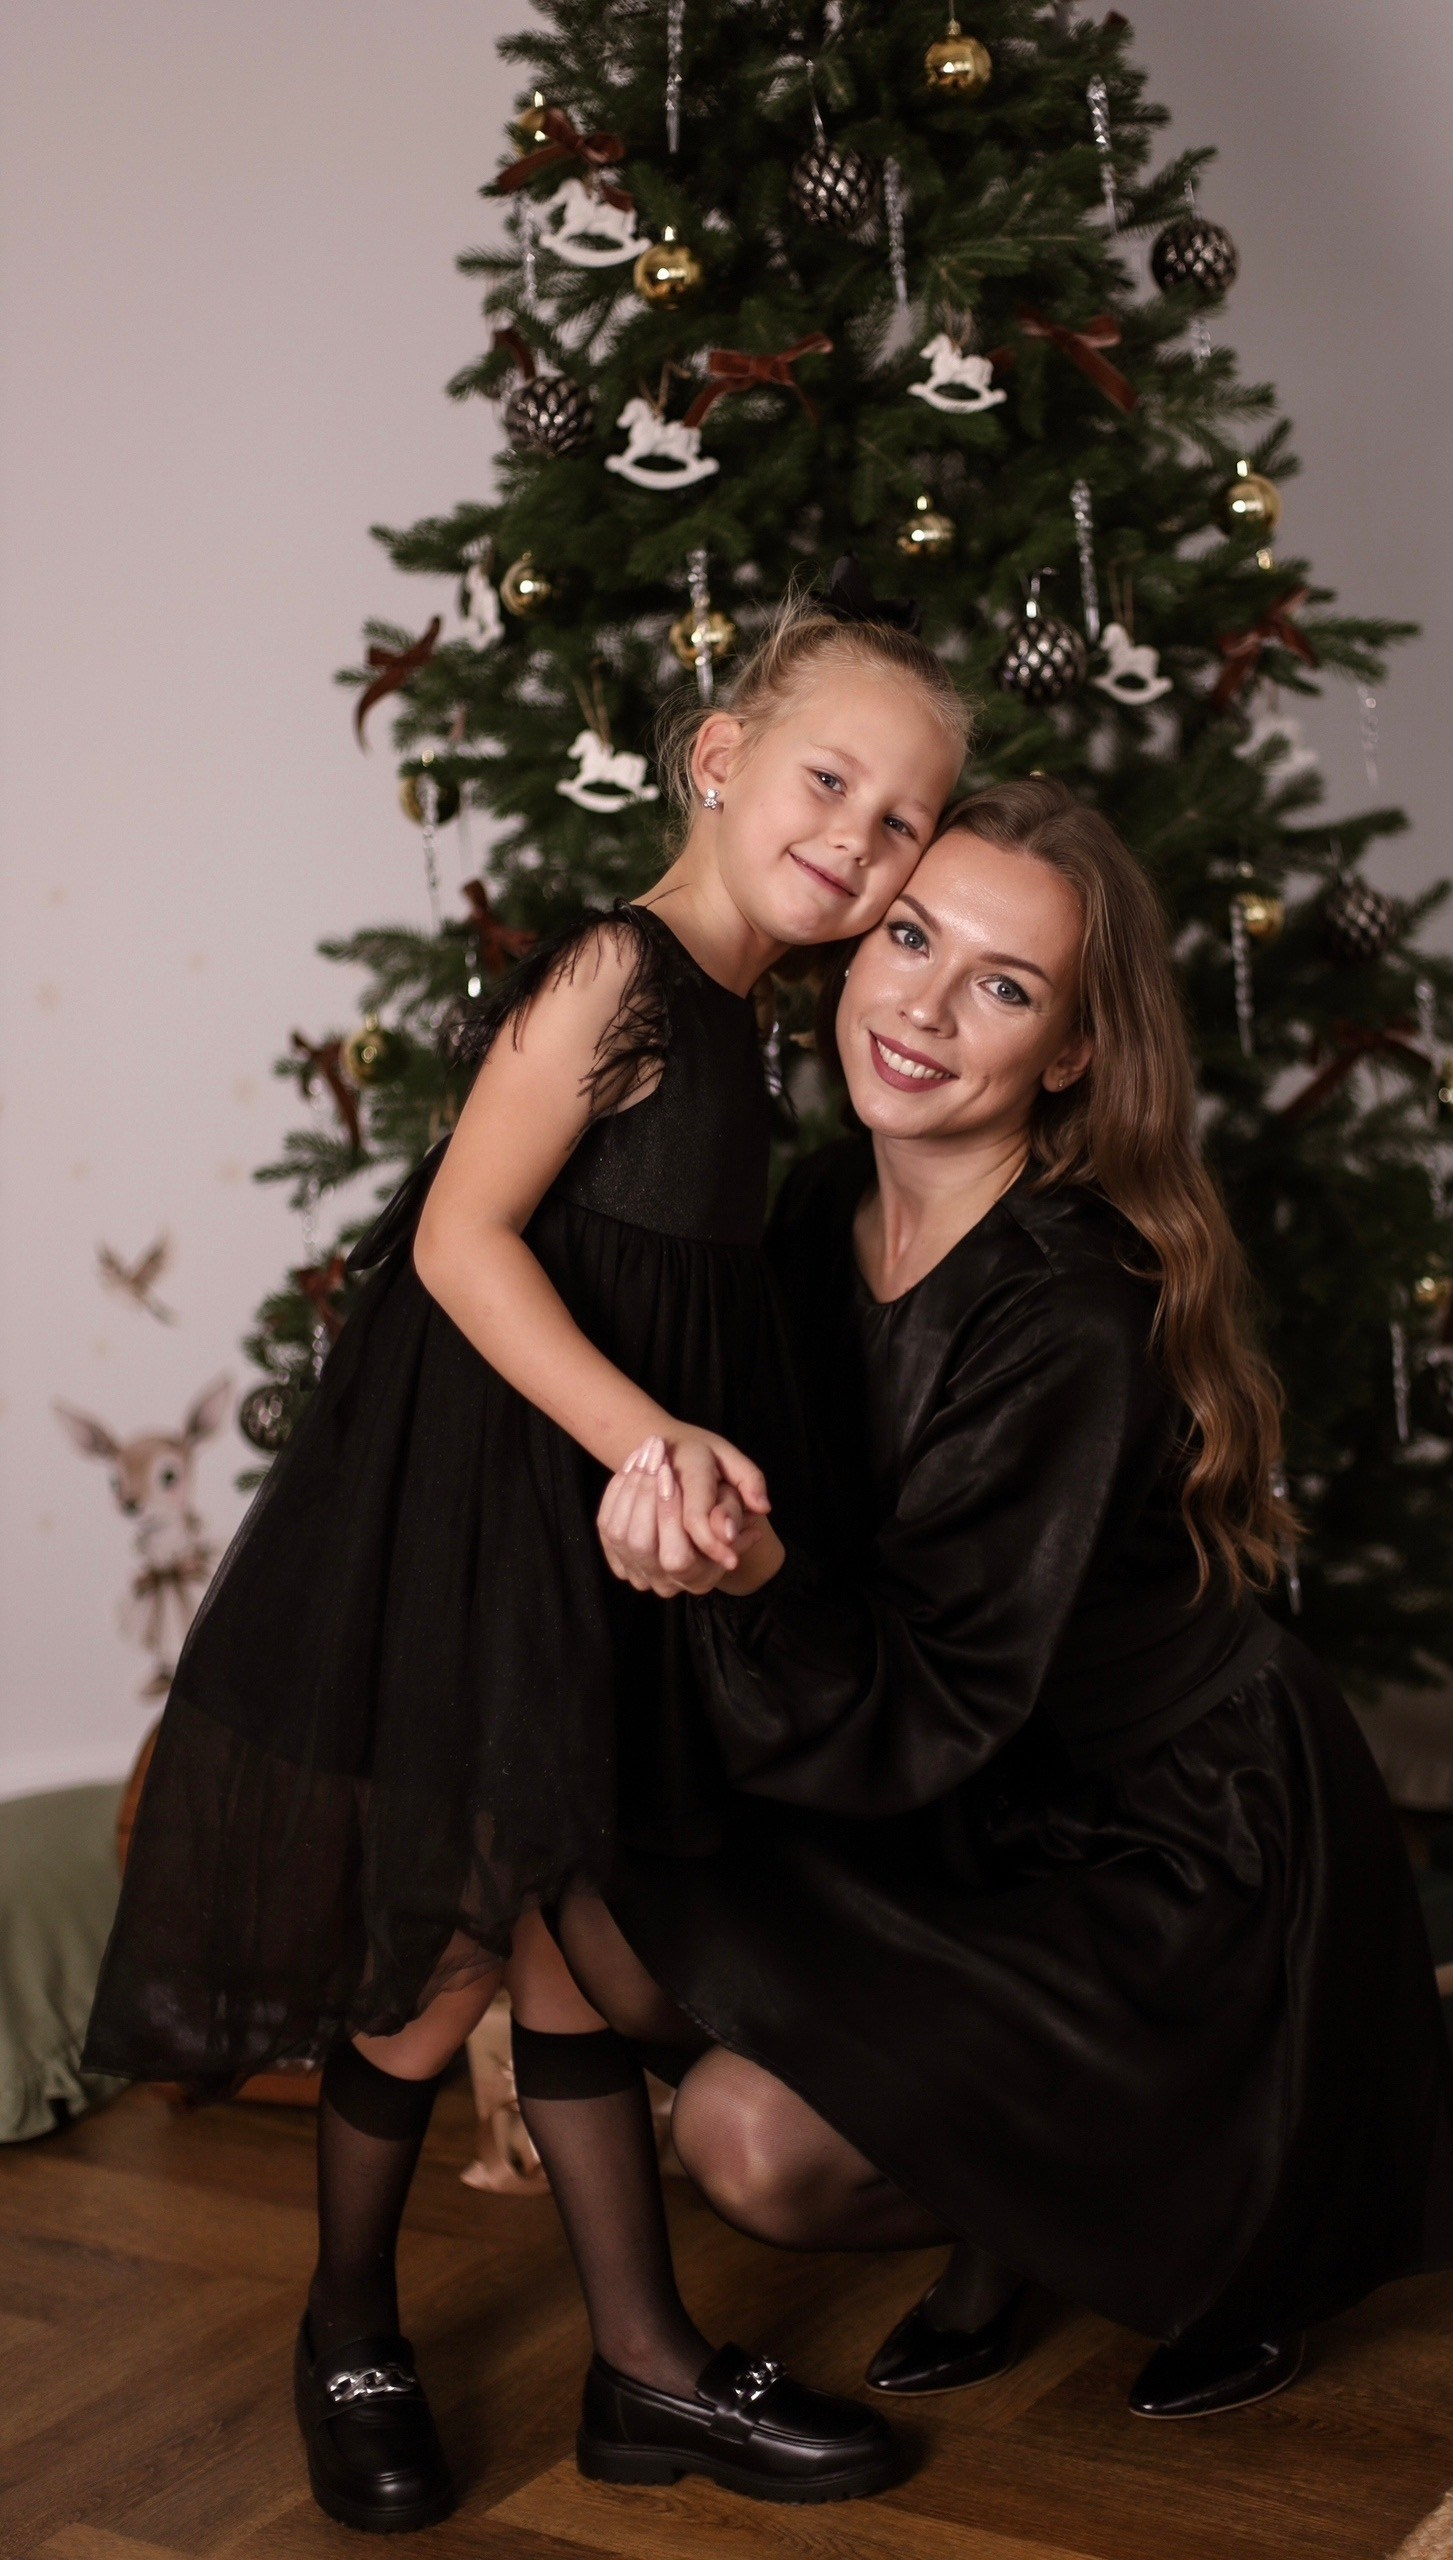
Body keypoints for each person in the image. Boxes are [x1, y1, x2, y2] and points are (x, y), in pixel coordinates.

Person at [81, 579, 969, 2528]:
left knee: (571, 1940)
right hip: (496, 1519)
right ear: (719, 756)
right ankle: (346, 2322)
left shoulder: (751, 1018)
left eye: (905, 818)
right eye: (831, 779)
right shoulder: (620, 971)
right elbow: (460, 1237)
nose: (861, 836)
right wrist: (647, 1436)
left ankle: (643, 2365)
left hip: (609, 1547)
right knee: (451, 1954)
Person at [590, 777, 1453, 2424]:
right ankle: (1012, 2197)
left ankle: (1206, 2224)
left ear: (1070, 1051)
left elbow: (935, 1680)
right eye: (909, 939)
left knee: (748, 2143)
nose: (925, 1008)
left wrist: (745, 1566)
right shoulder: (815, 1204)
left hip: (1162, 1841)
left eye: (1002, 987)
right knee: (601, 1914)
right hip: (952, 1790)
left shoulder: (1069, 1303)